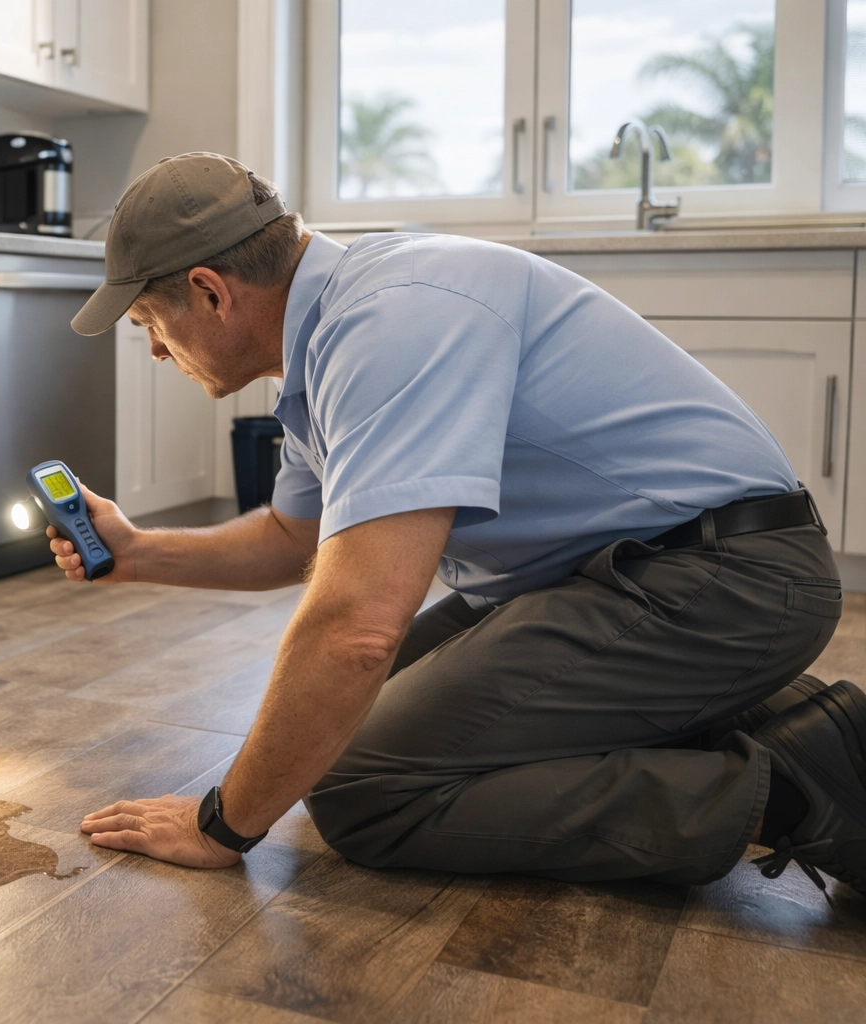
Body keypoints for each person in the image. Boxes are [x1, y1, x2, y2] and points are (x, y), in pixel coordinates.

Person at [56, 151, 865, 896]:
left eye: (149, 325)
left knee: (360, 787)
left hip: (725, 579)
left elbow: (356, 629)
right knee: (328, 728)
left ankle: (792, 797)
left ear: (209, 291)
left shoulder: (388, 324)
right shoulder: (329, 342)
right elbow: (289, 539)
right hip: (628, 575)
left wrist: (223, 824)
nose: (158, 351)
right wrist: (134, 551)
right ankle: (800, 727)